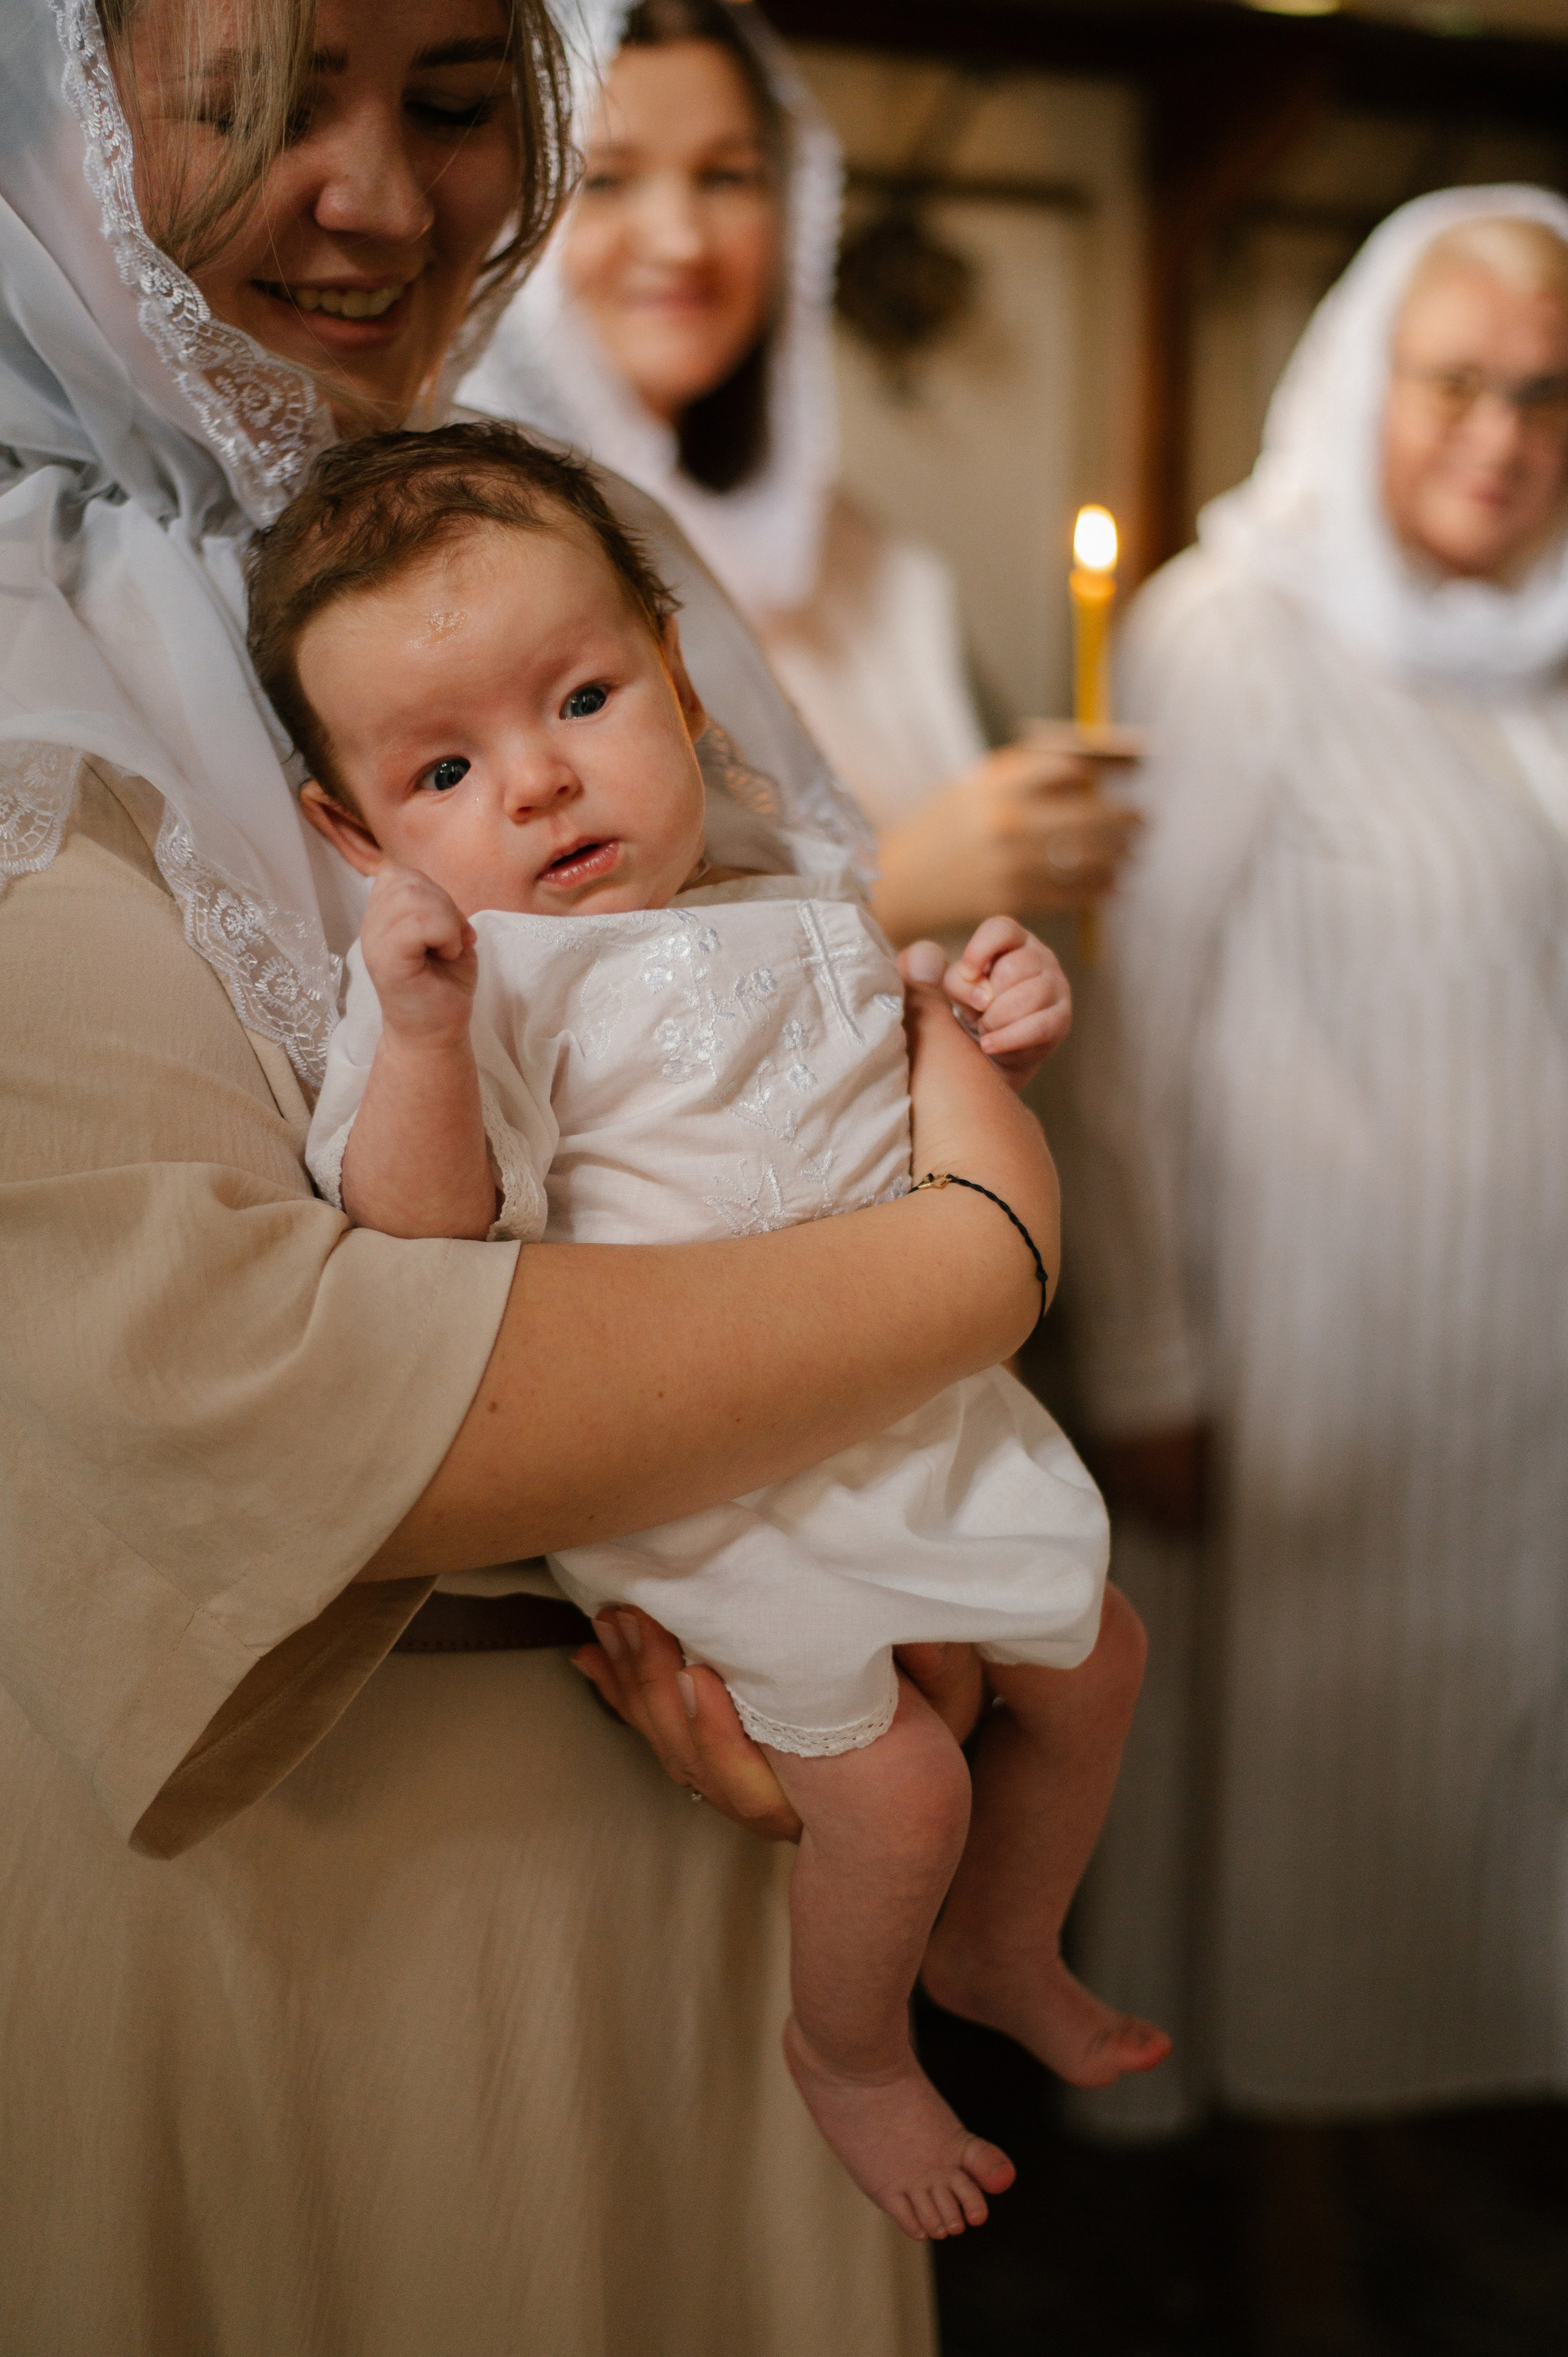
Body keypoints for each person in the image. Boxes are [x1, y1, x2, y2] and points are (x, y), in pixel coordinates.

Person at [0, 1, 1144, 2349]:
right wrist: (977, 1259)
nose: (384, 197)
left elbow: (810, 1028)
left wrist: (891, 1653)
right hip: (341, 1873)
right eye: (259, 101)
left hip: (718, 1808)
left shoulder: (554, 531)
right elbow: (251, 1379)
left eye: (453, 102)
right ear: (56, 116)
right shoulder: (28, 634)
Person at [238, 417, 1169, 2240]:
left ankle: (1000, 1941)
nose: (538, 785)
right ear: (353, 834)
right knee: (895, 1789)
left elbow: (900, 1105)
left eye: (582, 701)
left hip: (897, 1409)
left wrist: (981, 1019)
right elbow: (421, 1246)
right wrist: (419, 1043)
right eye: (445, 769)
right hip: (699, 1479)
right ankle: (854, 2051)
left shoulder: (790, 897)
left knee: (1102, 1655)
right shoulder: (477, 988)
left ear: (675, 681)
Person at [1061, 186, 1568, 2350]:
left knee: (1469, 1799)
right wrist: (1150, 1356)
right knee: (1309, 1801)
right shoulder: (1235, 631)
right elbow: (1133, 1030)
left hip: (1512, 1377)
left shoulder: (1551, 636)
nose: (1502, 436)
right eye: (1456, 383)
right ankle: (1290, 2246)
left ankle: (1404, 2172)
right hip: (1310, 1368)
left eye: (1547, 394)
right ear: (1364, 379)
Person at [459, 0, 1140, 946]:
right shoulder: (473, 572)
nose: (683, 239)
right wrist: (899, 889)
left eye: (726, 176)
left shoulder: (867, 563)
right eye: (607, 180)